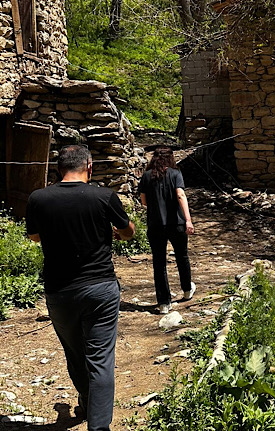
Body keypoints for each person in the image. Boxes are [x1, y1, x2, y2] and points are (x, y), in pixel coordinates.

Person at [26, 145, 135, 431]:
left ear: (58, 168)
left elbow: (34, 236)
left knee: (76, 355)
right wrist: (121, 233)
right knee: (100, 359)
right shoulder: (104, 196)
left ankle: (87, 402)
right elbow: (128, 231)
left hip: (60, 291)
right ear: (89, 167)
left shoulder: (38, 198)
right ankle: (98, 425)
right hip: (100, 288)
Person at [138, 146, 196, 315]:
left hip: (155, 225)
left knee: (159, 262)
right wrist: (188, 220)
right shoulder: (175, 174)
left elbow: (143, 201)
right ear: (170, 158)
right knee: (182, 256)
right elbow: (181, 195)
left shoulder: (146, 176)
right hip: (176, 223)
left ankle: (164, 303)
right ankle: (187, 290)